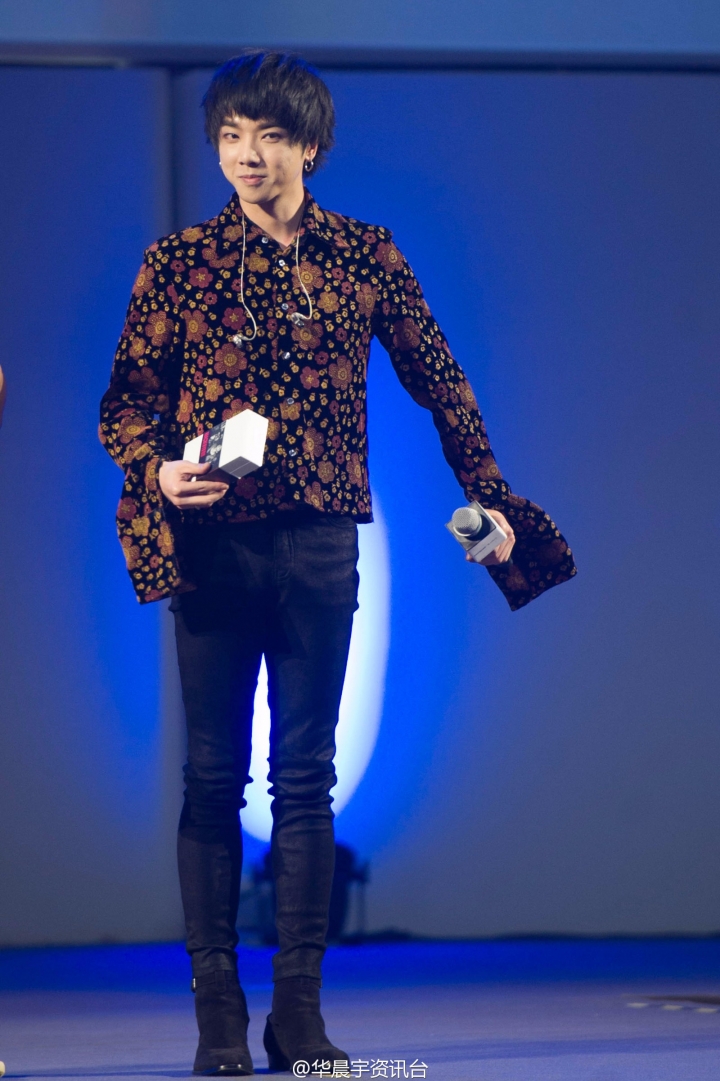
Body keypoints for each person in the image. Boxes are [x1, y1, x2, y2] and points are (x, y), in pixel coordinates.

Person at [99, 51, 576, 1076]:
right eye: (231, 136)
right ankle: (217, 1017)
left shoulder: (364, 254)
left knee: (306, 779)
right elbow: (124, 404)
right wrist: (156, 468)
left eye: (270, 136)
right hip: (215, 544)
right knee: (212, 776)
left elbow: (439, 377)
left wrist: (488, 490)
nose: (247, 155)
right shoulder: (177, 261)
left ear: (310, 146)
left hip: (320, 541)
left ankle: (300, 1017)